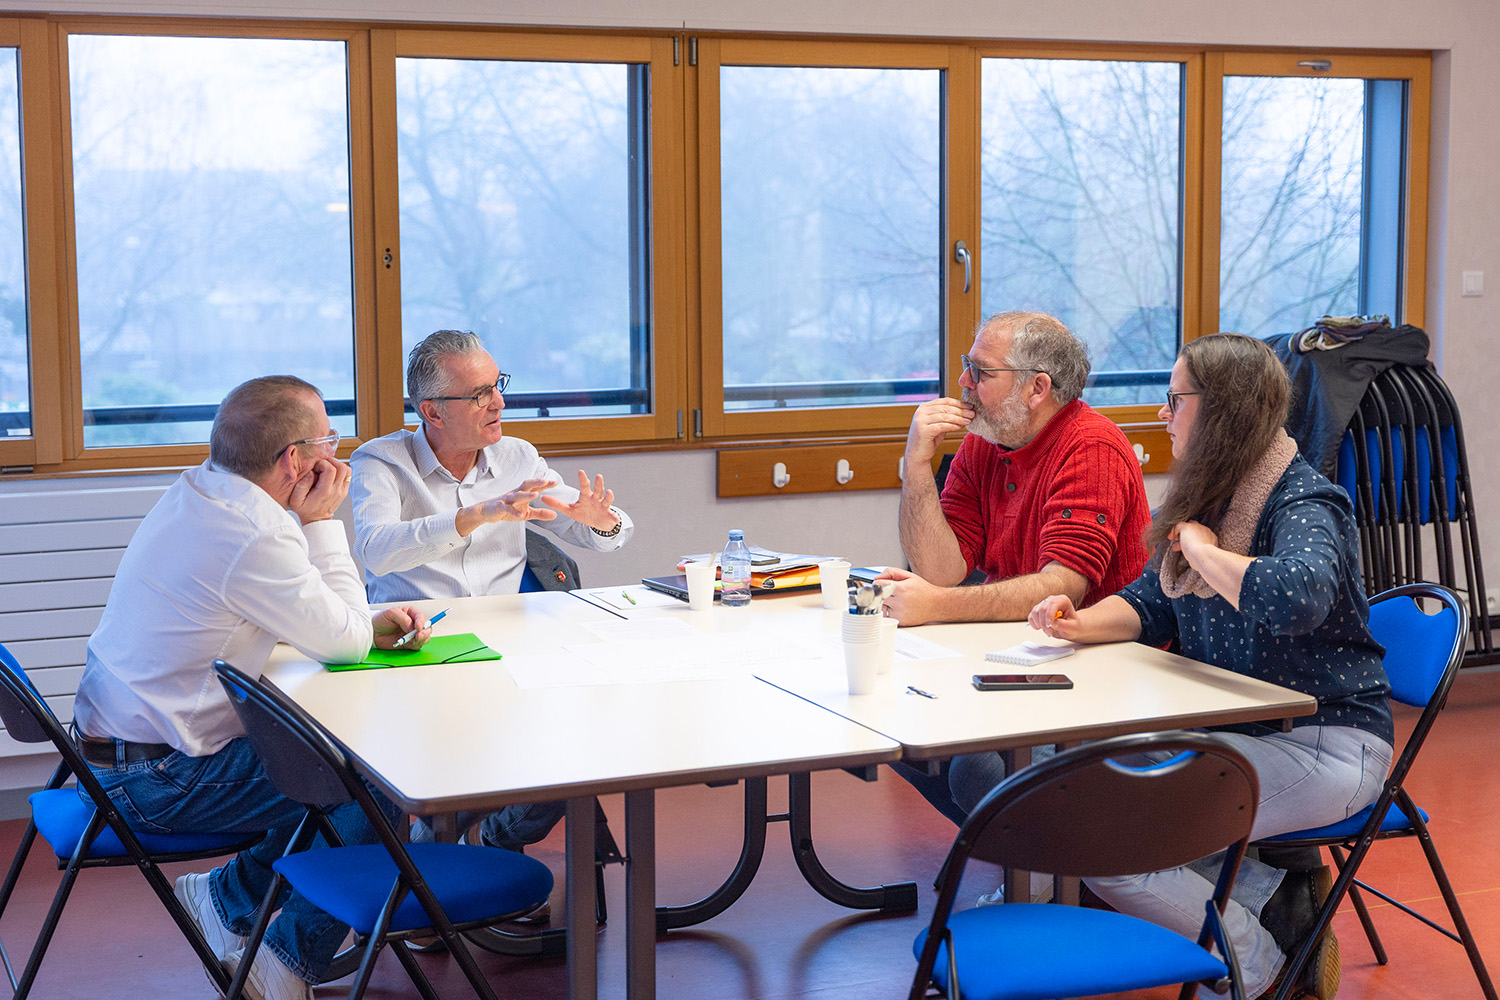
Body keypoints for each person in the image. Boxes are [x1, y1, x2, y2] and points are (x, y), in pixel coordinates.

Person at [1027, 333, 1395, 1000]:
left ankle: (1257, 970)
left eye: (1176, 400)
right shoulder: (1209, 496)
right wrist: (1079, 623)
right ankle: (1275, 895)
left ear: (1222, 410)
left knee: (1111, 848)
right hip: (1249, 738)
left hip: (1331, 747)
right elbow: (1151, 605)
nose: (1164, 415)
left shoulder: (1306, 503)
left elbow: (1293, 599)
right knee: (1093, 789)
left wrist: (1201, 551)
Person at [72, 376, 434, 1000]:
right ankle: (283, 960)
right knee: (378, 778)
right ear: (296, 459)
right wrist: (322, 524)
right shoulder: (258, 533)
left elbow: (277, 613)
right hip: (154, 785)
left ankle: (226, 898)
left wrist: (350, 621)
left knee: (330, 765)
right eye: (329, 439)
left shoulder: (202, 490)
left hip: (110, 758)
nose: (336, 452)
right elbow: (344, 644)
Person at [350, 329, 633, 857]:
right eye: (478, 394)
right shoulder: (381, 462)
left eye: (497, 384)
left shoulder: (517, 458)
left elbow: (596, 532)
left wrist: (603, 522)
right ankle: (443, 860)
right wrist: (472, 516)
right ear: (432, 412)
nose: (499, 402)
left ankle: (491, 845)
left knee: (581, 751)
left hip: (509, 651)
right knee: (446, 763)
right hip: (417, 654)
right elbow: (376, 550)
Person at [880, 311, 1152, 823]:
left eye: (980, 372)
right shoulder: (986, 442)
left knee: (977, 767)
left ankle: (1059, 873)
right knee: (900, 725)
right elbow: (941, 568)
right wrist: (916, 465)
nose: (963, 383)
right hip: (1026, 661)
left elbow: (1060, 588)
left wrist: (936, 606)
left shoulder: (1091, 447)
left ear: (1036, 389)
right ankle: (1046, 864)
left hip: (1100, 675)